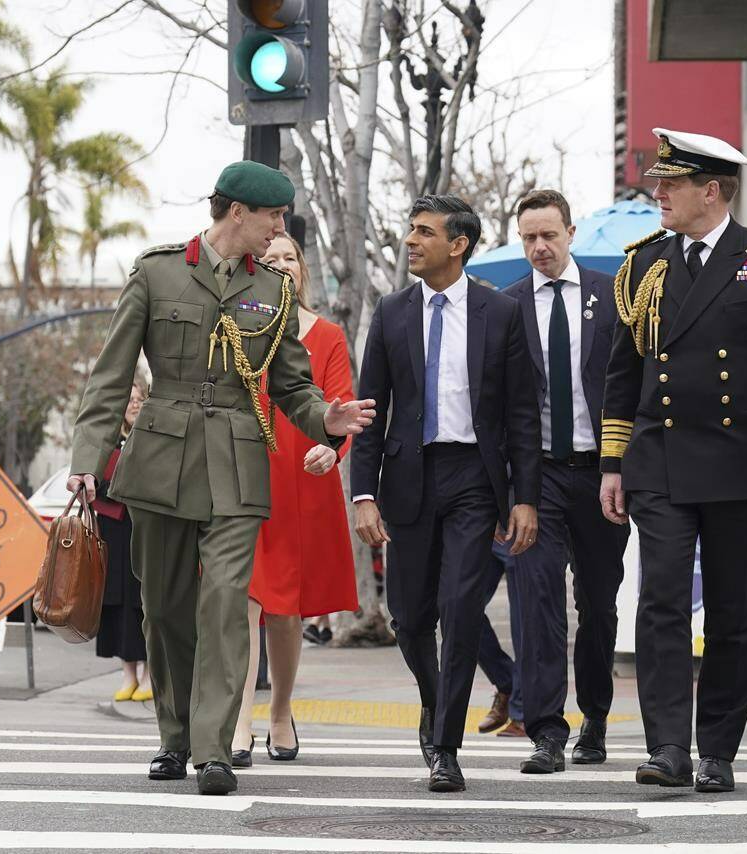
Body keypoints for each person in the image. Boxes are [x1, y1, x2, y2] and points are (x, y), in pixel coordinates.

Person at [67, 160, 374, 797]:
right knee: (168, 608)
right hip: (158, 461)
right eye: (272, 216)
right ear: (237, 211)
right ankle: (173, 739)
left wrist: (329, 419)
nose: (278, 228)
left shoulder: (274, 290)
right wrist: (87, 463)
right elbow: (111, 375)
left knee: (227, 602)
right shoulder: (157, 272)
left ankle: (214, 749)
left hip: (238, 463)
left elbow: (292, 386)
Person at [600, 129, 747, 794]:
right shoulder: (644, 264)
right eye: (658, 181)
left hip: (742, 462)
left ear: (712, 191)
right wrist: (614, 463)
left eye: (672, 183)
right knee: (661, 601)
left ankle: (717, 747)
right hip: (662, 459)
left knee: (734, 609)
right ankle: (668, 744)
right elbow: (623, 373)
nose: (658, 192)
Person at [352, 194, 541, 793]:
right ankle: (436, 707)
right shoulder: (392, 312)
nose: (411, 240)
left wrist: (524, 496)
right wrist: (362, 494)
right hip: (408, 478)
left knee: (461, 611)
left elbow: (521, 415)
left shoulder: (500, 312)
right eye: (410, 229)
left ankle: (446, 748)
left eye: (424, 232)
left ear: (457, 245)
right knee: (409, 618)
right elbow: (370, 411)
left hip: (473, 481)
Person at [502, 188, 630, 773]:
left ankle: (596, 719)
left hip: (602, 473)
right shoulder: (505, 308)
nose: (539, 247)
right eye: (528, 237)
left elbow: (634, 383)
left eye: (549, 235)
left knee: (598, 605)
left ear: (571, 233)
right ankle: (547, 731)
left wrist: (625, 465)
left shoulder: (613, 295)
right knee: (536, 600)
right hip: (538, 478)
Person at [230, 233, 360, 768]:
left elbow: (341, 405)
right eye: (269, 259)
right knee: (245, 603)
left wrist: (332, 449)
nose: (280, 265)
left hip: (303, 476)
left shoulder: (327, 334)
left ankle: (280, 711)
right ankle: (239, 721)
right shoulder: (236, 325)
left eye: (289, 258)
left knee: (285, 613)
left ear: (303, 269)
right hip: (245, 474)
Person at [93, 379, 152, 703]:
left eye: (138, 398)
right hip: (113, 532)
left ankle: (149, 675)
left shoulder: (153, 437)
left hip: (144, 530)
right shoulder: (110, 442)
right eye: (128, 399)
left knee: (142, 603)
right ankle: (128, 673)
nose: (133, 404)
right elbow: (97, 482)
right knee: (115, 602)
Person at [475, 544, 526, 737]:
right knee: (460, 608)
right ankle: (507, 684)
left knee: (524, 621)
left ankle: (523, 712)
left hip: (529, 529)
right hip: (484, 525)